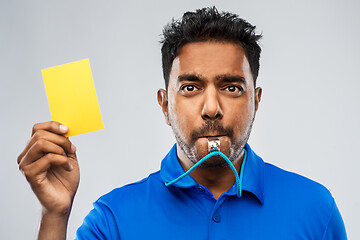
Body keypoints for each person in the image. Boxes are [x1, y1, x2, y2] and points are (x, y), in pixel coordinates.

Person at [17, 7, 347, 239]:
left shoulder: (315, 208)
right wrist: (54, 216)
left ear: (256, 100)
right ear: (164, 105)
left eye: (231, 87)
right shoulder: (113, 219)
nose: (212, 108)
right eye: (190, 88)